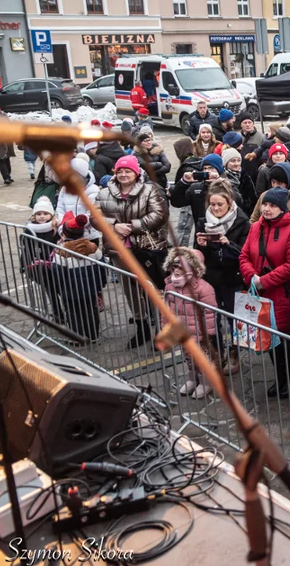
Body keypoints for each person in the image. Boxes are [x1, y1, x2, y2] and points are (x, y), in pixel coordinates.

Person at [96, 155, 168, 349]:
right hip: (119, 250)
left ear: (136, 173)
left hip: (146, 249)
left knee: (152, 288)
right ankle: (141, 326)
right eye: (120, 171)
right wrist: (115, 226)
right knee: (130, 289)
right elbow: (94, 217)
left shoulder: (149, 190)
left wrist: (133, 226)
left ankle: (161, 328)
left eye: (127, 171)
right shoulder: (104, 193)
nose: (123, 174)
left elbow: (159, 215)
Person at [239, 187, 290, 397]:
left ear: (282, 208)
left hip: (281, 294)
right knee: (268, 338)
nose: (267, 209)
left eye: (272, 205)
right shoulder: (256, 227)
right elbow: (244, 256)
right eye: (265, 204)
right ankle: (280, 378)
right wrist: (252, 277)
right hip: (259, 292)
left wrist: (264, 282)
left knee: (285, 339)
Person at [195, 179, 250, 374]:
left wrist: (228, 244)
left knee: (235, 318)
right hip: (212, 279)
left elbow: (245, 253)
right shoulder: (203, 222)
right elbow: (198, 255)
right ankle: (217, 354)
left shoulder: (242, 222)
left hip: (233, 277)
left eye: (220, 204)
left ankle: (235, 353)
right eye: (213, 205)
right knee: (212, 319)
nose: (216, 208)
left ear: (230, 203)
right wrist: (201, 246)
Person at [164, 247, 218, 400]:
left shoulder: (203, 288)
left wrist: (209, 332)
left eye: (181, 267)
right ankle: (192, 379)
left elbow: (210, 311)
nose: (176, 271)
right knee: (188, 357)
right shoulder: (170, 286)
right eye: (174, 267)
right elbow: (166, 309)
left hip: (200, 335)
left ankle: (206, 382)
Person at [51, 212, 107, 344]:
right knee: (91, 310)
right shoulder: (93, 248)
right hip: (91, 289)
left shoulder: (62, 252)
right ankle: (93, 336)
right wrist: (100, 285)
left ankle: (78, 338)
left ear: (64, 234)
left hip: (70, 291)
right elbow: (102, 267)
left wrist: (59, 288)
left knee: (73, 313)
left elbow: (57, 272)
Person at [55, 157, 100, 243]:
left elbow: (92, 212)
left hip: (88, 236)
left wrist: (77, 224)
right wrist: (63, 227)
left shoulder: (93, 190)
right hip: (67, 234)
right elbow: (60, 209)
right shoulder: (65, 189)